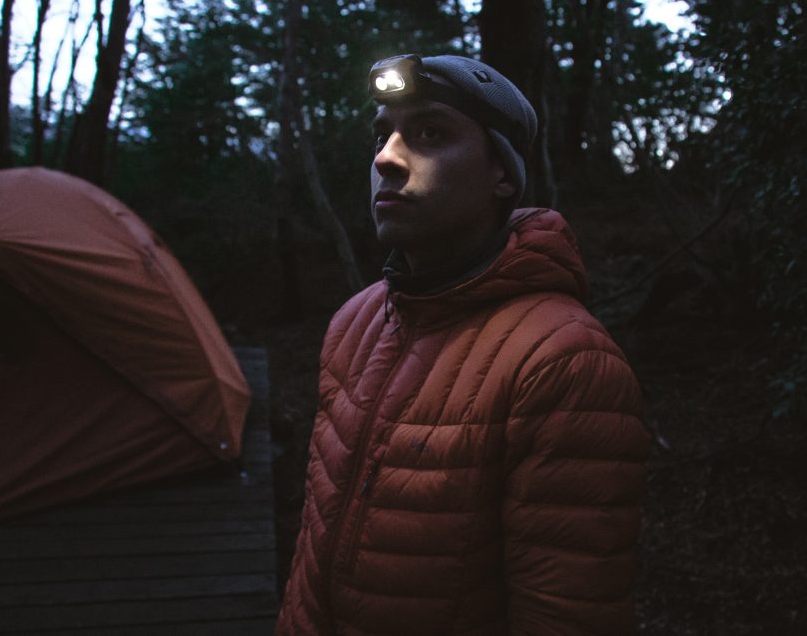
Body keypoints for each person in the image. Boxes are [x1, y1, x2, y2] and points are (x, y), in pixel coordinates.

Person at [276, 54, 650, 635]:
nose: (385, 158)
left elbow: (566, 616)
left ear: (502, 173)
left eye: (430, 133)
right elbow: (311, 548)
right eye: (382, 135)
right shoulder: (353, 322)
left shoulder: (563, 362)